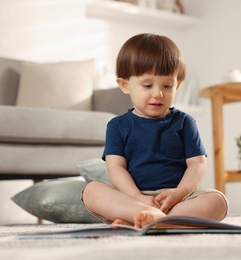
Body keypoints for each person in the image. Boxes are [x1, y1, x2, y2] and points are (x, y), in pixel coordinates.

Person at [82, 33, 228, 228]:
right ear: (125, 85)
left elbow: (197, 165)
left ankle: (154, 220)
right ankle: (146, 216)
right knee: (91, 191)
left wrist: (178, 194)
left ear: (178, 85)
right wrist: (138, 198)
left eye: (167, 86)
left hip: (177, 199)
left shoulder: (185, 122)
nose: (158, 93)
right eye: (147, 85)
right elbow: (115, 168)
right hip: (132, 197)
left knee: (217, 201)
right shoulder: (117, 126)